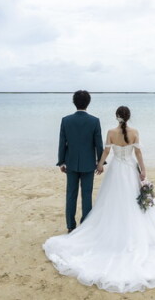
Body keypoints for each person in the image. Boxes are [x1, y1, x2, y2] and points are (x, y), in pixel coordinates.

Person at [44, 105, 155, 293]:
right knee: (130, 201)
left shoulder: (111, 132)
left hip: (116, 171)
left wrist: (100, 165)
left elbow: (106, 152)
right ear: (128, 117)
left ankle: (82, 226)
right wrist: (143, 170)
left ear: (116, 116)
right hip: (129, 169)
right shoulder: (135, 132)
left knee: (109, 201)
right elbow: (138, 153)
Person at [56, 90, 104, 233]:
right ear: (88, 103)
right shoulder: (94, 121)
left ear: (74, 102)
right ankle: (85, 225)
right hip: (89, 164)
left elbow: (62, 143)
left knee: (71, 194)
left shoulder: (66, 120)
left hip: (70, 163)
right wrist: (100, 162)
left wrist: (61, 161)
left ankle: (71, 226)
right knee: (87, 195)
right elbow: (98, 144)